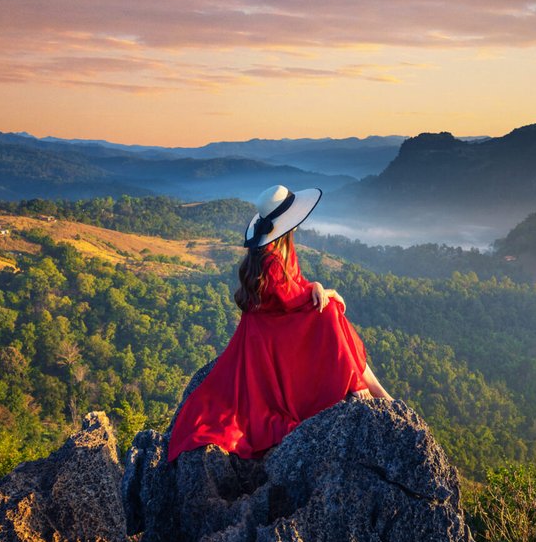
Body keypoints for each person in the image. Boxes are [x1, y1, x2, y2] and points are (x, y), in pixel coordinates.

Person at [166, 185, 392, 461]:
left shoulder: (277, 248)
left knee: (330, 312)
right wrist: (326, 292)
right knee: (330, 314)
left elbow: (296, 285)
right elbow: (290, 298)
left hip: (271, 326)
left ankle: (370, 386)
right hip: (270, 333)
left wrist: (317, 285)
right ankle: (362, 385)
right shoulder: (271, 257)